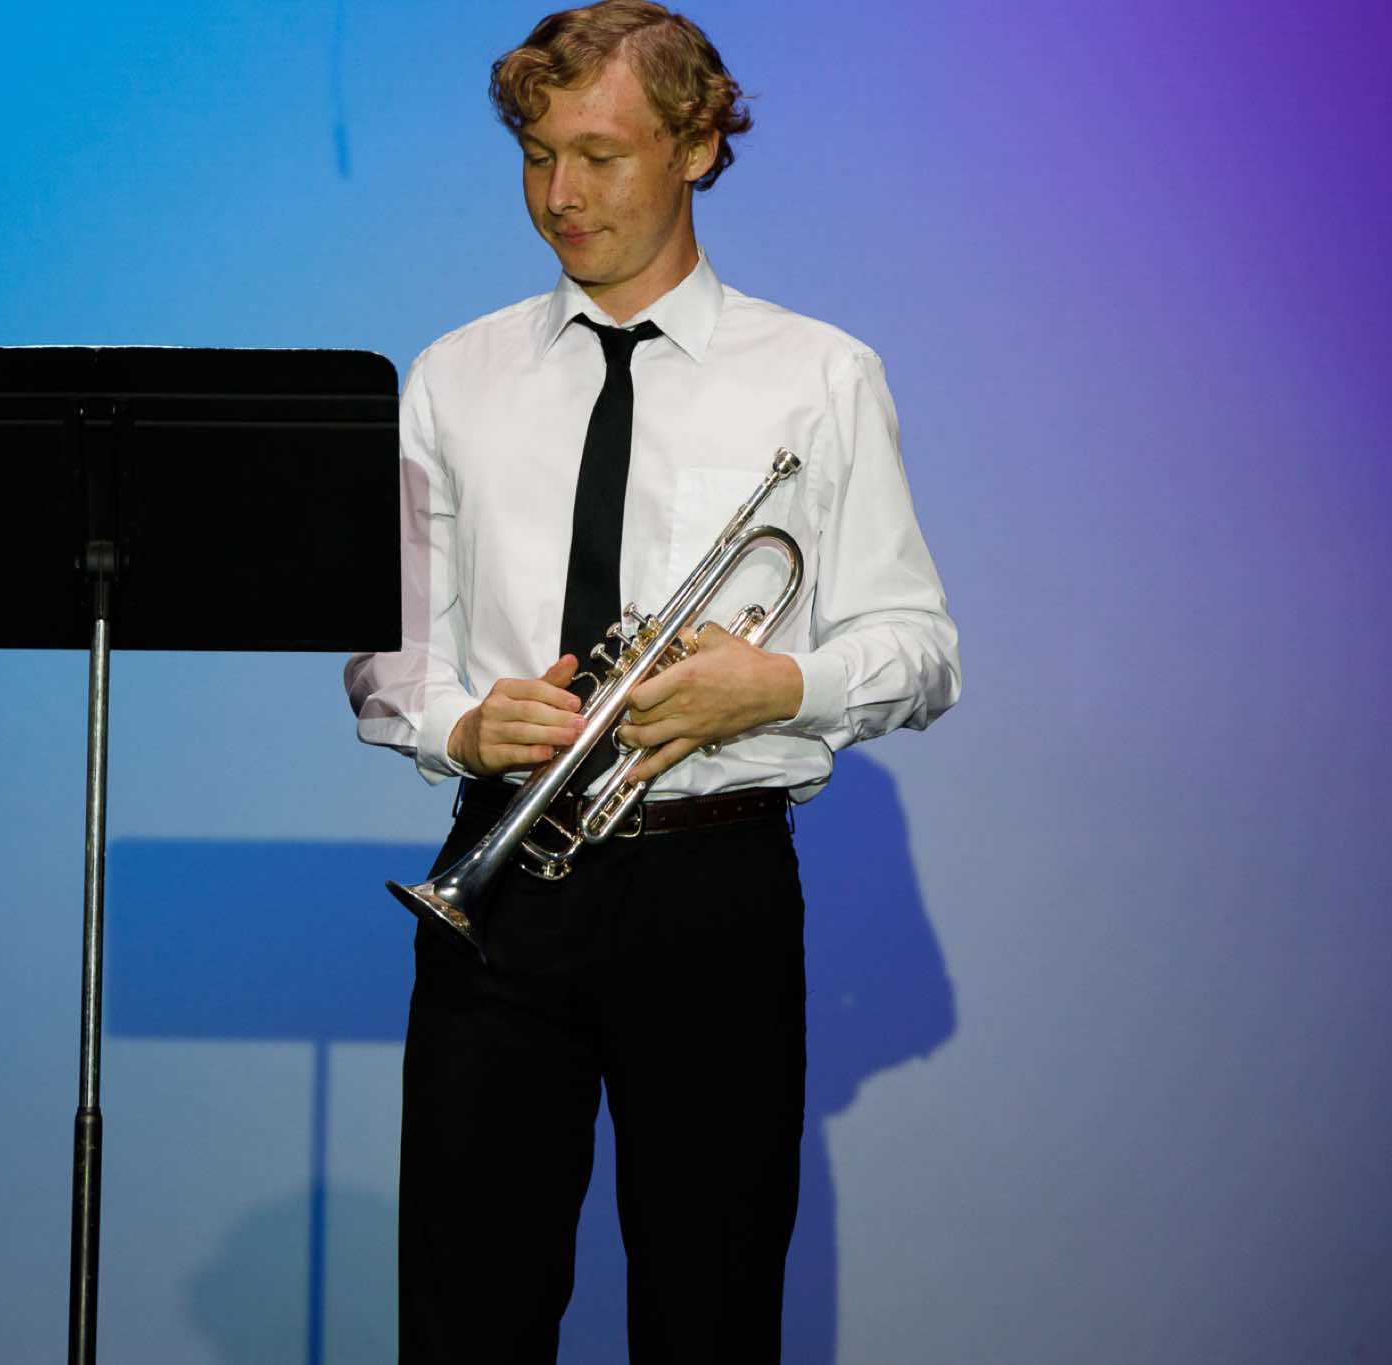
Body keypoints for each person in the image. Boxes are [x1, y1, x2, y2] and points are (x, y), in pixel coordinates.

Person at [344, 3, 960, 1360]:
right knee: (465, 1313)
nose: (559, 195)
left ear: (695, 146)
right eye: (536, 156)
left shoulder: (819, 373)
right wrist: (460, 722)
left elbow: (921, 645)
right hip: (497, 882)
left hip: (711, 888)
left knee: (709, 1313)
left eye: (600, 156)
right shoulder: (456, 373)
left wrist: (777, 687)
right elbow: (385, 647)